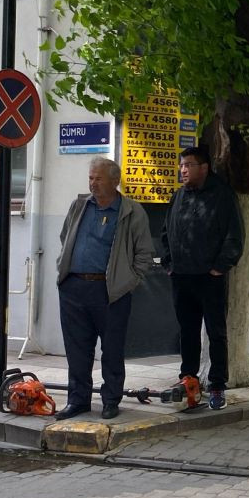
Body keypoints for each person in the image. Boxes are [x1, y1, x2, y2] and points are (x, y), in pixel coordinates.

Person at [55, 156, 154, 420]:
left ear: (115, 181)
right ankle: (78, 400)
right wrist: (63, 270)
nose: (93, 183)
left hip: (110, 292)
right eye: (91, 178)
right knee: (77, 348)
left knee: (111, 349)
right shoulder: (79, 205)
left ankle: (111, 400)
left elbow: (144, 254)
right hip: (74, 287)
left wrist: (128, 282)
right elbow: (65, 238)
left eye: (98, 178)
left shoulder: (131, 211)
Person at [160, 146, 243, 410]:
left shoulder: (222, 195)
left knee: (216, 333)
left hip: (210, 278)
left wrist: (219, 267)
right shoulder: (178, 196)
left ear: (204, 168)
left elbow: (234, 235)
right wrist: (169, 264)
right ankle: (189, 380)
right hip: (181, 277)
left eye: (189, 165)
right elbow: (166, 232)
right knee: (187, 332)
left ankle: (217, 385)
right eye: (181, 165)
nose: (183, 170)